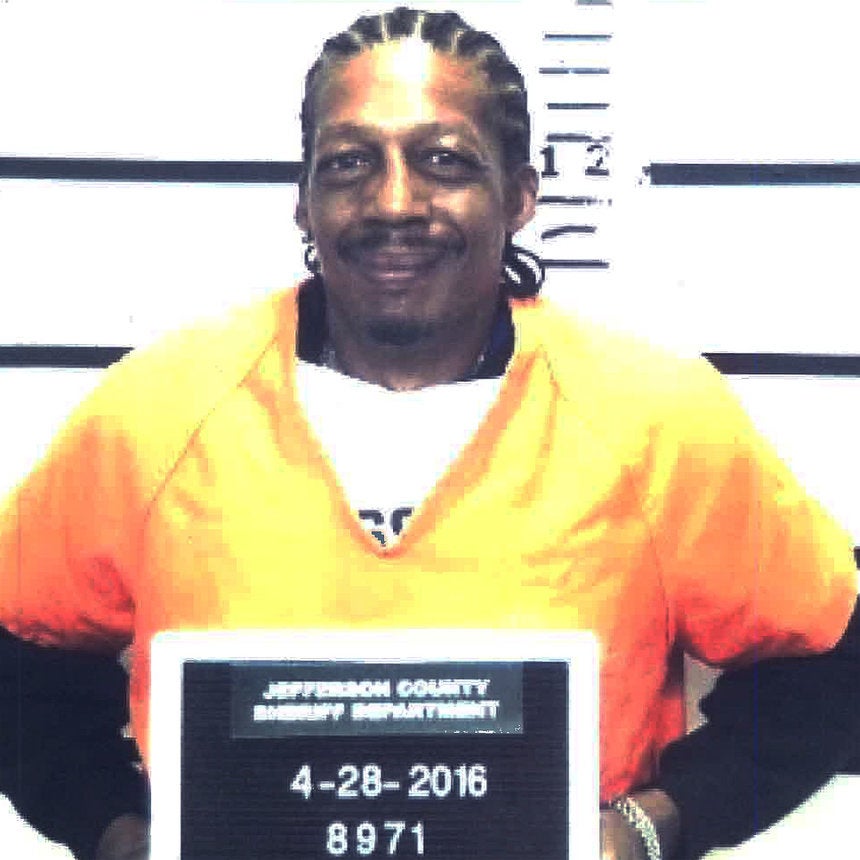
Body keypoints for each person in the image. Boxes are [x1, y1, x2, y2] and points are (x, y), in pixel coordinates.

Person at [1, 7, 858, 860]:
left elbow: (831, 663)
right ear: (303, 200)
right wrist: (113, 829)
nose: (394, 202)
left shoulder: (655, 419)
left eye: (443, 160)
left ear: (519, 195)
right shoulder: (158, 411)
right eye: (349, 162)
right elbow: (19, 659)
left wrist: (649, 827)